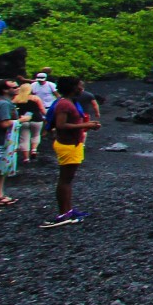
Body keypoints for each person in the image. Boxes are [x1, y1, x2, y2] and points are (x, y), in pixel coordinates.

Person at [45, 77, 98, 226]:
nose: (82, 88)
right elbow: (61, 125)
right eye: (79, 85)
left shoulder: (68, 102)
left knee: (67, 180)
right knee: (65, 180)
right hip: (67, 145)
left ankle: (68, 211)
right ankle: (63, 213)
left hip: (72, 144)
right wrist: (86, 125)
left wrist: (86, 125)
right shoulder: (64, 104)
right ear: (72, 87)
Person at [11, 79, 43, 164]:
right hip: (36, 119)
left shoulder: (16, 99)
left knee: (24, 138)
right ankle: (34, 150)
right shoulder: (35, 98)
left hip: (22, 120)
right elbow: (42, 110)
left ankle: (26, 158)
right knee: (36, 135)